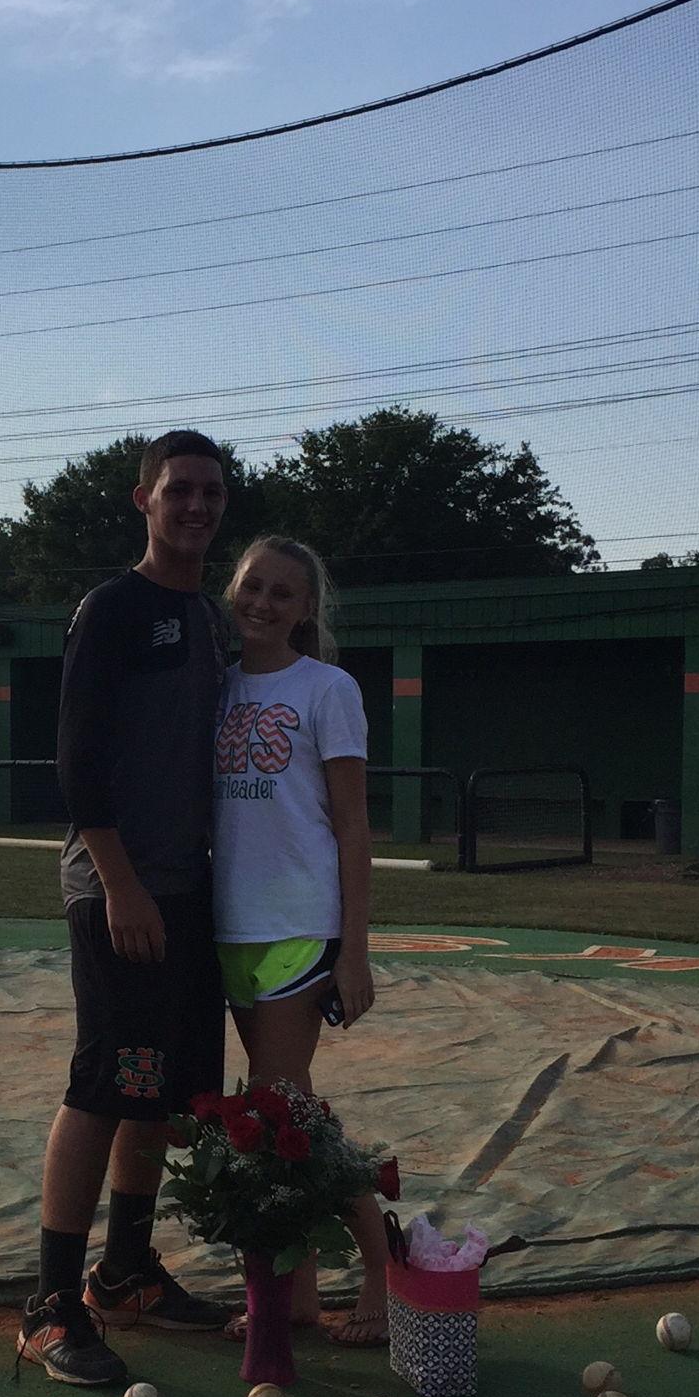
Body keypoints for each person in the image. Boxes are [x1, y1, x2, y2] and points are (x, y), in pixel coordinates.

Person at [17, 430, 234, 1387]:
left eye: (210, 493)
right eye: (177, 490)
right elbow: (75, 761)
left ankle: (127, 1270)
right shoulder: (112, 609)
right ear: (142, 499)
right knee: (106, 1085)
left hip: (191, 891)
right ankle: (49, 1305)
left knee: (164, 1089)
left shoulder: (216, 622)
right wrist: (119, 883)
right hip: (121, 889)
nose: (195, 506)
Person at [211, 534, 390, 1345]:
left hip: (298, 924)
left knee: (282, 1108)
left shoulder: (328, 689)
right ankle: (298, 1294)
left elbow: (352, 827)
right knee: (283, 1108)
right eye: (253, 586)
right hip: (229, 925)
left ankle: (383, 1274)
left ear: (306, 609)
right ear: (232, 590)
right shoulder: (214, 689)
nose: (264, 603)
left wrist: (352, 950)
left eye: (284, 593)